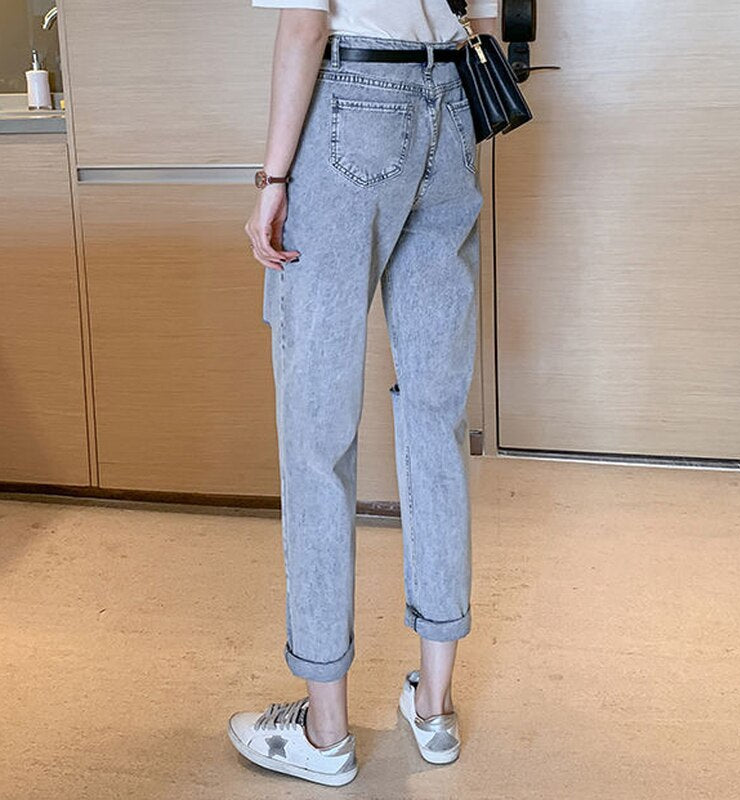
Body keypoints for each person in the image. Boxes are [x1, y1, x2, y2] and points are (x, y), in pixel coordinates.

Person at [228, 0, 498, 787]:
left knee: (317, 433)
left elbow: (305, 24)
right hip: (450, 107)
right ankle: (435, 708)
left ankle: (325, 733)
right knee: (436, 417)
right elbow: (483, 14)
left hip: (355, 107)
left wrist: (273, 180)